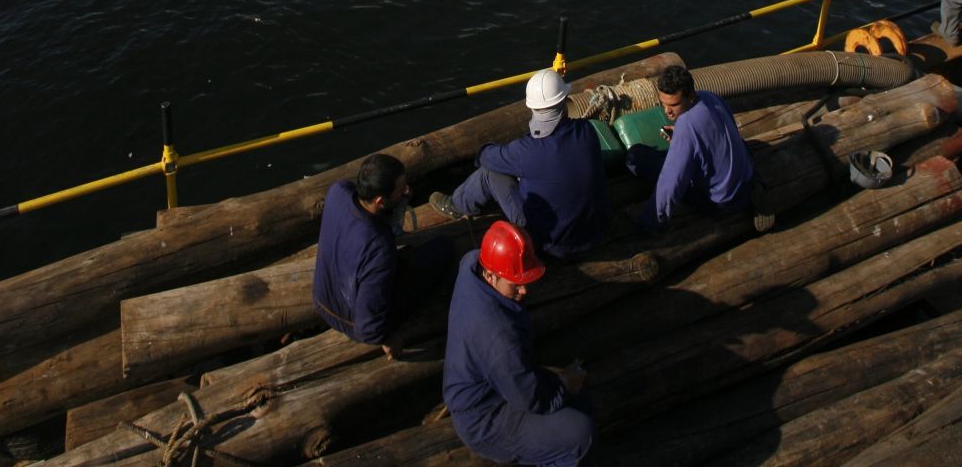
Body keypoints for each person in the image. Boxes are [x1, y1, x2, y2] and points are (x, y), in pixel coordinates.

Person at [443, 220, 596, 466]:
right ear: (491, 277)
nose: (524, 290)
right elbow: (530, 399)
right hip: (484, 419)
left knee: (583, 403)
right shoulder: (499, 338)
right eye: (516, 284)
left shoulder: (473, 263)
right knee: (579, 432)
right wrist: (564, 385)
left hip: (488, 384)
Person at [430, 69, 609, 259]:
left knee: (489, 174)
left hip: (552, 246)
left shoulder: (526, 150)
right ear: (564, 100)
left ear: (532, 107)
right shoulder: (586, 130)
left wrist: (488, 149)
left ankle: (458, 205)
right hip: (596, 233)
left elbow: (487, 157)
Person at [313, 152, 453, 358]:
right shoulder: (378, 248)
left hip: (321, 299)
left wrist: (399, 200)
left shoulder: (338, 191)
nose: (406, 191)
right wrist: (387, 338)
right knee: (442, 249)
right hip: (351, 322)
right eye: (400, 190)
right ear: (379, 200)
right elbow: (367, 326)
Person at [624, 63, 767, 233]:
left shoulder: (686, 125)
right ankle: (755, 186)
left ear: (690, 95)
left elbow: (671, 183)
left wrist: (650, 222)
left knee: (636, 157)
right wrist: (683, 136)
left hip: (720, 203)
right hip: (746, 181)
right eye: (663, 104)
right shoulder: (710, 97)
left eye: (674, 105)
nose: (667, 111)